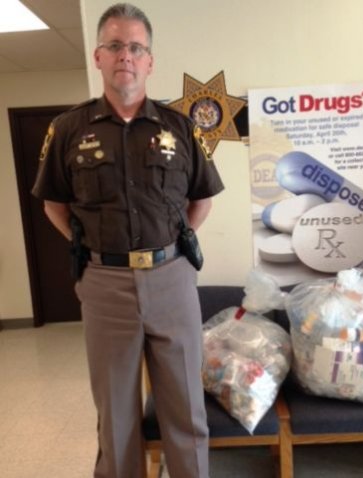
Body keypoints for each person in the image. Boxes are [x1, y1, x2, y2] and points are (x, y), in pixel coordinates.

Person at [32, 3, 224, 478]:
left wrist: (173, 246)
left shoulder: (181, 129)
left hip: (172, 279)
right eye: (115, 45)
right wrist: (90, 247)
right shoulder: (69, 130)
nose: (126, 56)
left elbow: (202, 200)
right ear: (98, 56)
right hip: (104, 283)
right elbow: (53, 203)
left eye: (136, 47)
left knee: (185, 412)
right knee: (116, 418)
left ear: (150, 61)